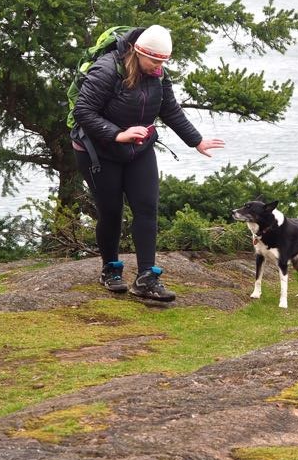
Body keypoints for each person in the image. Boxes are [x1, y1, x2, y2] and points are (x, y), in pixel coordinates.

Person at [71, 24, 225, 301]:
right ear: (138, 52)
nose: (159, 67)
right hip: (98, 150)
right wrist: (117, 134)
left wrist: (196, 141)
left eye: (163, 62)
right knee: (111, 212)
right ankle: (110, 269)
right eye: (154, 60)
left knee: (146, 208)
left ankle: (146, 278)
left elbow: (169, 109)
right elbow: (83, 111)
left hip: (138, 149)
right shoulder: (106, 69)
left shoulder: (158, 74)